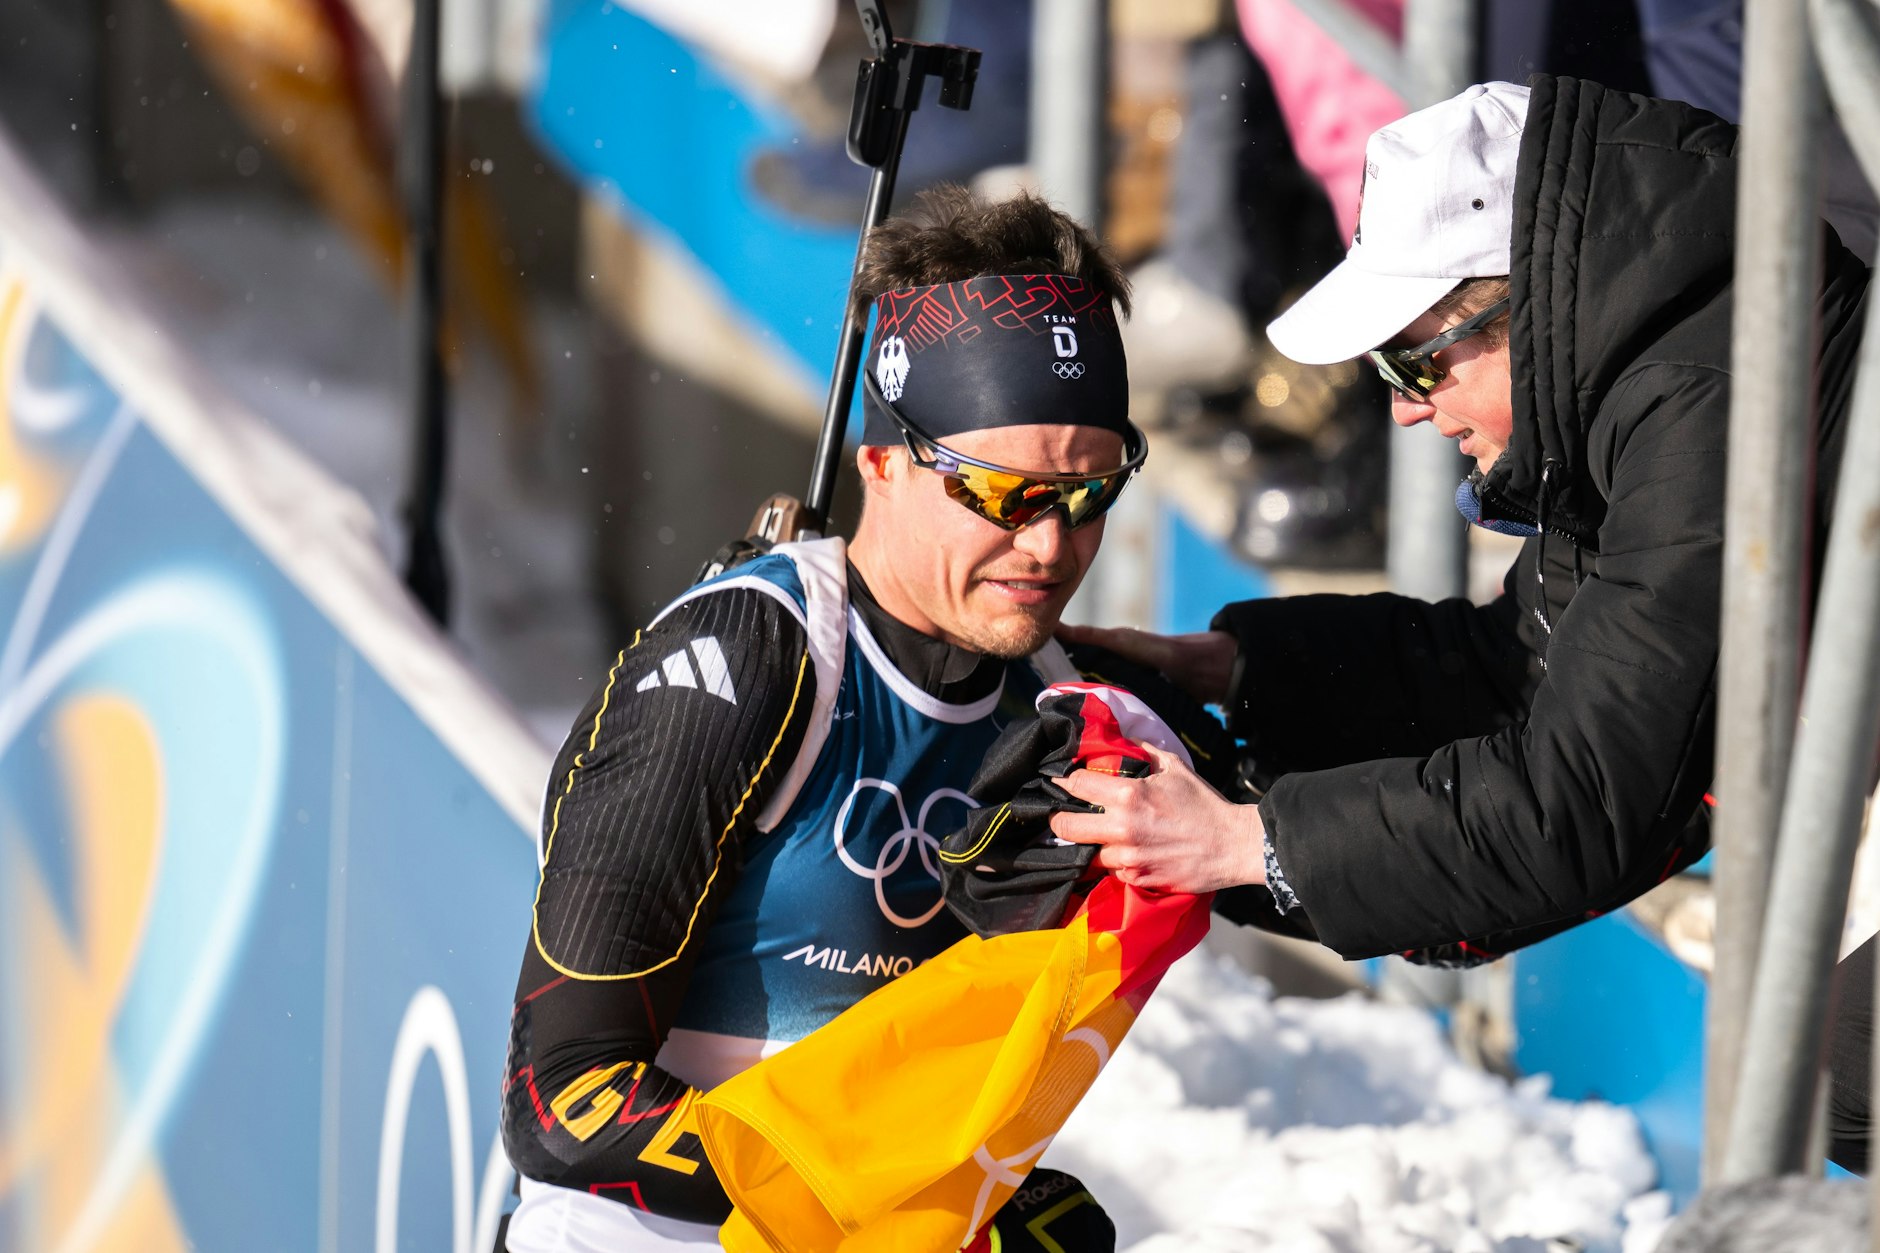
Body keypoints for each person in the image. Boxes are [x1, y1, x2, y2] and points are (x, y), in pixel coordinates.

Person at [1051, 76, 1869, 970]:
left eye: (1413, 366)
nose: (1401, 412)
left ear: (1532, 306)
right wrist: (1240, 671)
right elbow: (1514, 663)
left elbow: (1587, 805)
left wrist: (1246, 847)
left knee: (1840, 1087)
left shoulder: (1707, 416)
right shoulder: (1643, 367)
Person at [498, 186, 1144, 1251]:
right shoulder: (745, 667)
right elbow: (560, 1106)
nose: (1050, 546)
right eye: (1004, 491)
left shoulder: (1052, 696)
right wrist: (897, 1196)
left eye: (1089, 492)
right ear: (882, 463)